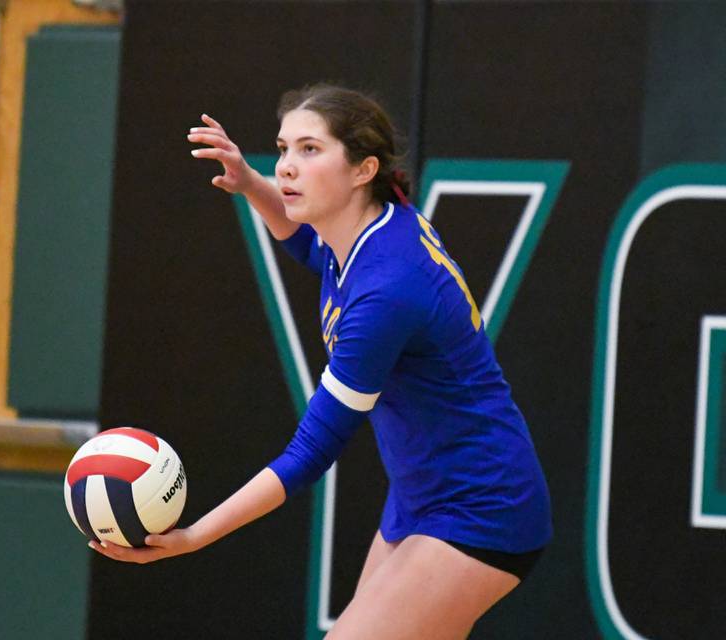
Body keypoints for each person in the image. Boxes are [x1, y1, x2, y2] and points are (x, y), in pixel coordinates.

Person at [90, 84, 552, 639]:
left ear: (363, 169)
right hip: (421, 498)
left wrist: (195, 536)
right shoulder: (368, 231)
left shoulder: (387, 290)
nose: (287, 166)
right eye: (283, 149)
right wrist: (251, 184)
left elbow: (311, 451)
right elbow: (310, 248)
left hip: (484, 506)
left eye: (309, 150)